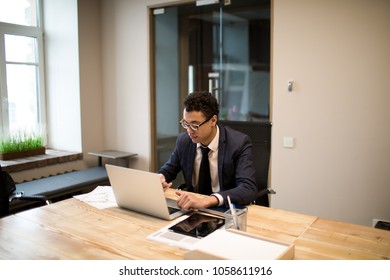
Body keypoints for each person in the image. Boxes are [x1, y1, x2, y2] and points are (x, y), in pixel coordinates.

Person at [158, 91, 257, 210]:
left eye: (195, 125)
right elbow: (169, 169)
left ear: (213, 120)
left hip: (225, 210)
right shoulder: (184, 141)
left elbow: (248, 188)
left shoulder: (238, 143)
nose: (189, 131)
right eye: (186, 124)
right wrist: (161, 177)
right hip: (192, 210)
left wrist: (207, 201)